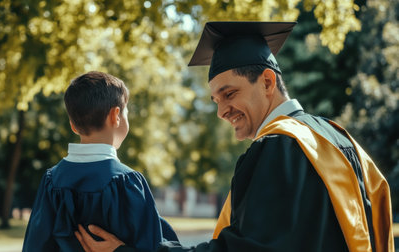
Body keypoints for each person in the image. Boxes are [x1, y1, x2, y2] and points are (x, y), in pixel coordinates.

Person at [75, 22, 394, 252]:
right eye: (216, 100)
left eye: (229, 94)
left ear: (268, 82)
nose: (222, 111)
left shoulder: (278, 147)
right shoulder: (338, 139)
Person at [22, 71, 178, 251]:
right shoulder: (128, 182)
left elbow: (35, 246)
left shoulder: (51, 181)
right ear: (116, 116)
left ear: (73, 126)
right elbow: (153, 246)